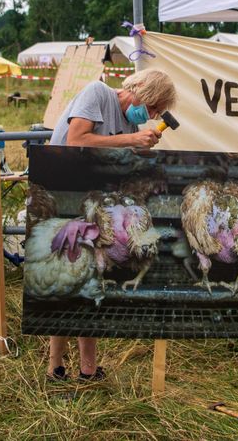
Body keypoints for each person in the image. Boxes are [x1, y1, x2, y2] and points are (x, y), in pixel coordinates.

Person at [45, 68, 177, 382]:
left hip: (94, 203)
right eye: (154, 107)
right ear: (142, 88)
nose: (152, 115)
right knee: (67, 281)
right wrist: (131, 139)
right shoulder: (97, 92)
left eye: (158, 112)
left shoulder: (130, 122)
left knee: (91, 282)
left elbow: (112, 157)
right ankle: (55, 366)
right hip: (64, 194)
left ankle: (87, 368)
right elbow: (77, 139)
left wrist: (136, 150)